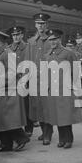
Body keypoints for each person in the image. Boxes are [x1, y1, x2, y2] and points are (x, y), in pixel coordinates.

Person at [0, 29, 30, 152]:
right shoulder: (1, 53)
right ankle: (5, 144)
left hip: (9, 90)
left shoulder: (8, 53)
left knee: (8, 118)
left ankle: (21, 138)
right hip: (3, 90)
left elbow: (13, 73)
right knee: (2, 118)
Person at [43, 29, 82, 149]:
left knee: (65, 115)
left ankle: (68, 139)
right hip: (53, 90)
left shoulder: (68, 53)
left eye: (55, 39)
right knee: (57, 115)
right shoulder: (47, 55)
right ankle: (61, 139)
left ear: (60, 39)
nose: (52, 42)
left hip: (65, 89)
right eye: (50, 40)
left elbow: (76, 72)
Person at [24, 13, 54, 145]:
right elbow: (27, 62)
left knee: (47, 107)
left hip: (48, 80)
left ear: (47, 25)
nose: (41, 26)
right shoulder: (31, 42)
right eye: (38, 23)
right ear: (35, 25)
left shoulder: (52, 40)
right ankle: (44, 131)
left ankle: (48, 133)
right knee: (37, 107)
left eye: (43, 23)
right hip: (35, 80)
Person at [8, 26, 34, 137]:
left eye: (18, 34)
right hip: (13, 81)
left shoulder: (28, 48)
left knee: (26, 105)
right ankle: (18, 128)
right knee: (15, 106)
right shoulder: (9, 49)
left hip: (25, 80)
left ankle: (28, 128)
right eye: (14, 35)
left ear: (22, 35)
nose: (16, 37)